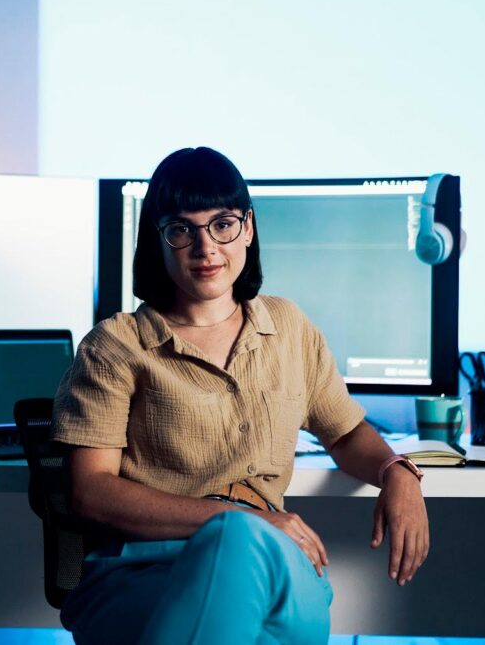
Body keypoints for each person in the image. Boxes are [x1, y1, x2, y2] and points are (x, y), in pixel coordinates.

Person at [52, 147, 429, 644]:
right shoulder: (116, 346)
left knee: (244, 550)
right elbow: (90, 492)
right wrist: (243, 518)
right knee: (238, 550)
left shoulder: (290, 327)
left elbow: (346, 431)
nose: (206, 248)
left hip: (278, 574)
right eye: (182, 229)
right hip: (143, 571)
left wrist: (396, 472)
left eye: (223, 224)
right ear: (158, 241)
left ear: (248, 228)